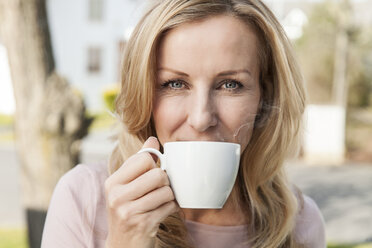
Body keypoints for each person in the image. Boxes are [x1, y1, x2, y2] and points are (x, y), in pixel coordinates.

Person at [41, 0, 326, 247]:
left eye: (230, 84)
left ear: (265, 97)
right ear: (145, 95)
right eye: (175, 83)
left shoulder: (301, 223)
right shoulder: (84, 200)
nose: (201, 118)